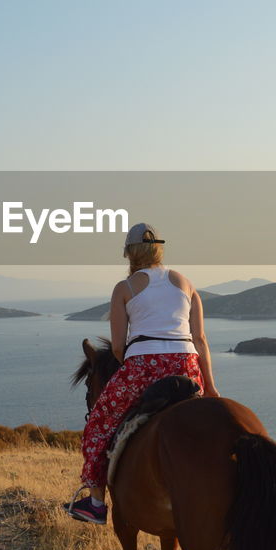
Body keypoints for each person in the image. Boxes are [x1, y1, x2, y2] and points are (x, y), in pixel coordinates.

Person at [67, 222, 220, 524]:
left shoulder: (124, 288)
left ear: (129, 253)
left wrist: (134, 366)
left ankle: (96, 503)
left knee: (98, 423)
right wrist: (211, 388)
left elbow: (117, 347)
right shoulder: (186, 283)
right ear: (159, 249)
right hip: (187, 364)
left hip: (144, 366)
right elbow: (200, 339)